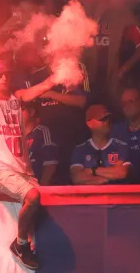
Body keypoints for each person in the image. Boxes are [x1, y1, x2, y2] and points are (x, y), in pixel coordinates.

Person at [0, 59, 57, 270]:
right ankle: (20, 245)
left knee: (42, 208)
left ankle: (26, 247)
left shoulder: (16, 98)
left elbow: (41, 88)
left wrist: (60, 75)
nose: (4, 77)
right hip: (0, 172)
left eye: (6, 73)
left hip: (23, 172)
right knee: (33, 197)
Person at [13, 42, 90, 185]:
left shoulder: (74, 69)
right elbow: (21, 97)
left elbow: (82, 101)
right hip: (45, 137)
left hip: (72, 135)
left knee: (69, 179)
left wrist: (52, 94)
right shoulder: (36, 76)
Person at [80, 0, 140, 108]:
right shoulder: (82, 16)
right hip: (89, 86)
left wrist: (124, 69)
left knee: (113, 117)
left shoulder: (121, 16)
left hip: (113, 86)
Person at [70, 104, 131, 185]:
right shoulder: (80, 150)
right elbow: (77, 177)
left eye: (108, 118)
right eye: (102, 119)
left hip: (116, 196)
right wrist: (105, 178)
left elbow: (121, 173)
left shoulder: (121, 146)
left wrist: (92, 170)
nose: (107, 122)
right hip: (91, 197)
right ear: (89, 123)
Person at [111, 87, 140, 184]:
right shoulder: (116, 130)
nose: (126, 106)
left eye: (131, 101)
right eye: (124, 103)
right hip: (125, 187)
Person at [21, 102, 58, 186]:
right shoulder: (13, 133)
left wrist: (42, 187)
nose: (18, 113)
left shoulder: (42, 131)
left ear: (32, 112)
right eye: (16, 110)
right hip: (18, 187)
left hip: (38, 186)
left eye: (22, 109)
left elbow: (50, 164)